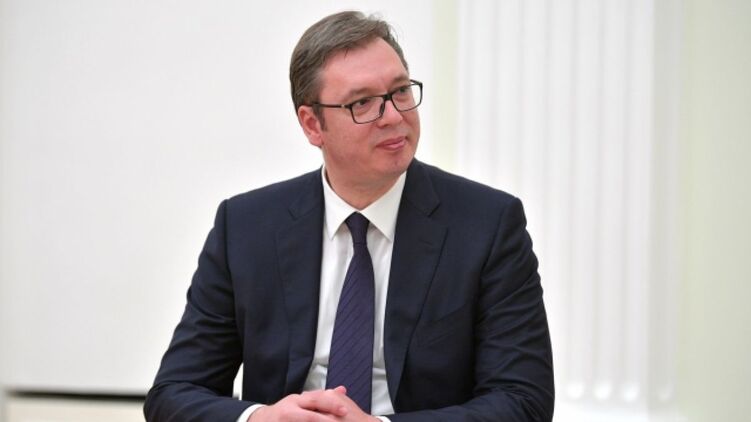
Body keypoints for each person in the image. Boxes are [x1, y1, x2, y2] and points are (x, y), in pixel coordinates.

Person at [144, 10, 554, 422]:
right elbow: (174, 393)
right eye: (363, 103)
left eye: (400, 92)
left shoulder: (488, 225)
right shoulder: (246, 227)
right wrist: (261, 418)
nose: (393, 116)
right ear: (312, 125)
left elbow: (523, 401)